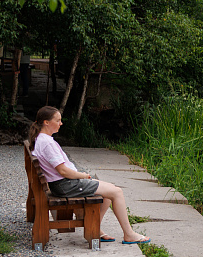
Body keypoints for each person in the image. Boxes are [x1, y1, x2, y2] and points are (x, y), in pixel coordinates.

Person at [28, 105, 150, 244]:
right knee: (117, 192)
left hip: (62, 184)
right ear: (46, 122)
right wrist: (81, 175)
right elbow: (63, 171)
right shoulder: (47, 143)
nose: (61, 123)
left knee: (109, 192)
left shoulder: (42, 139)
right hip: (65, 185)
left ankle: (95, 228)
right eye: (58, 120)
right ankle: (129, 234)